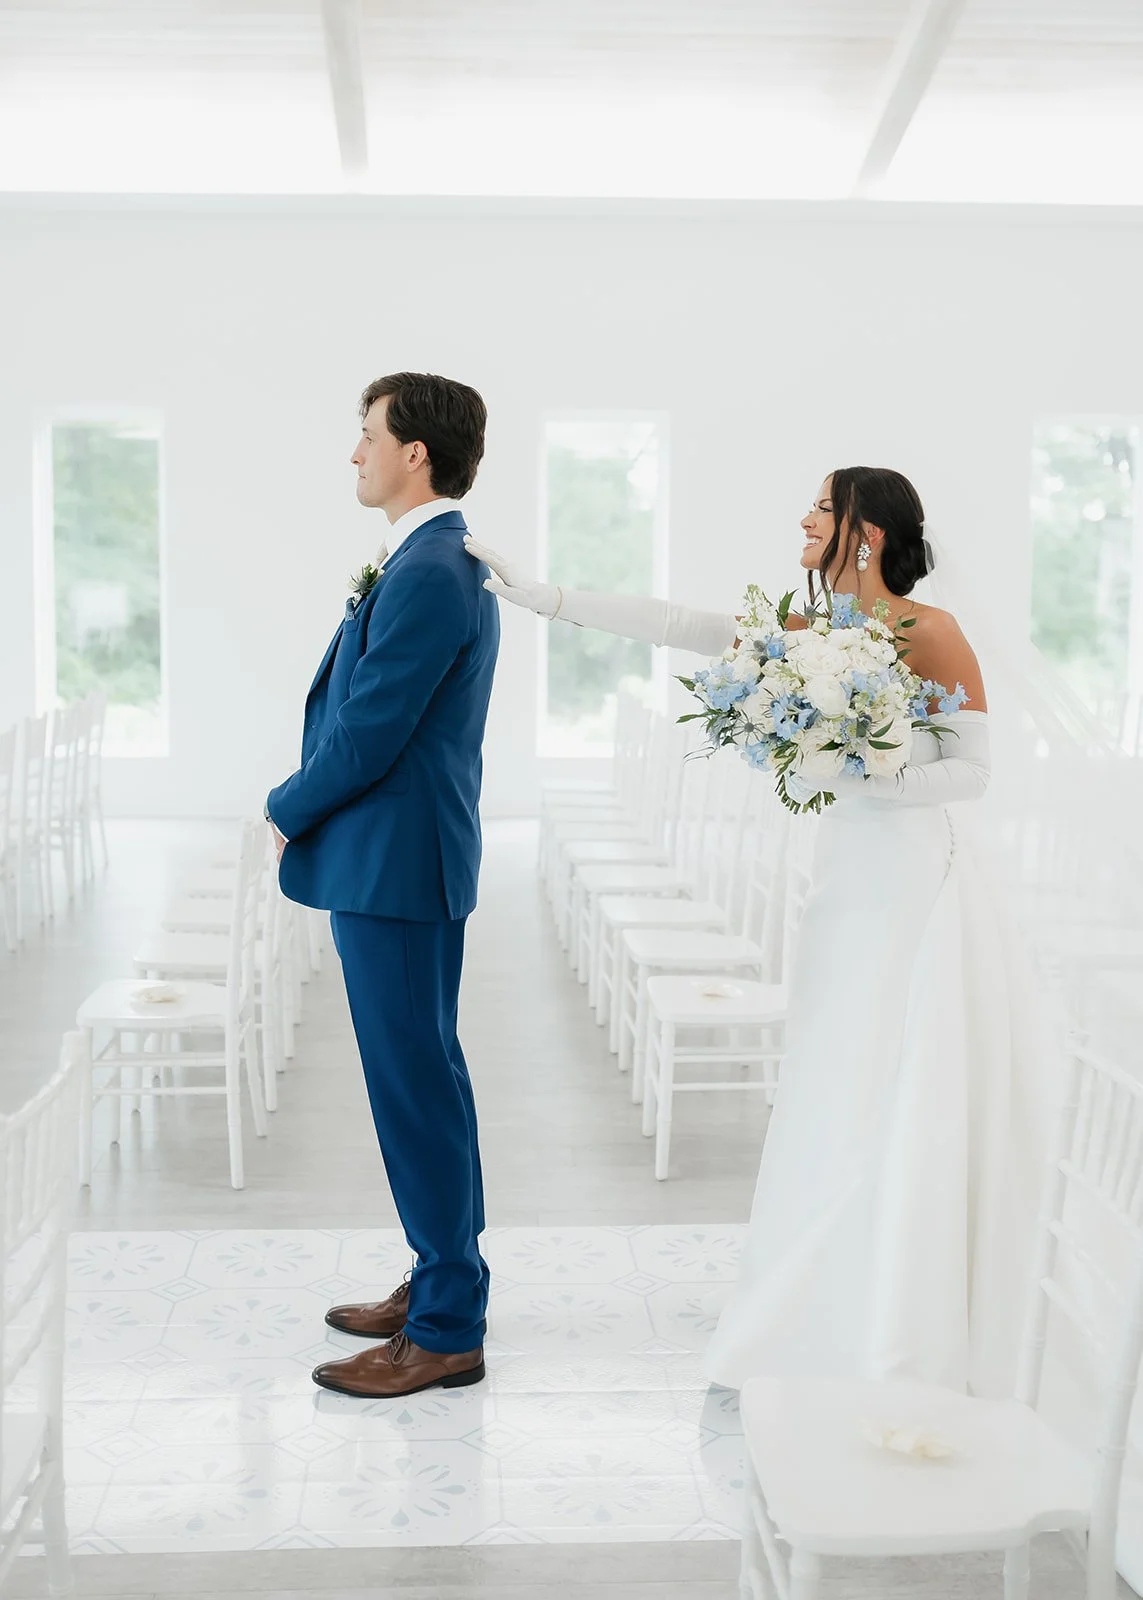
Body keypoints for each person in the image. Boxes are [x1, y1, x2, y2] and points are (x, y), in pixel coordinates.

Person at [466, 466, 1047, 1398]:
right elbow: (678, 624)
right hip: (846, 872)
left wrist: (869, 777)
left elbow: (973, 773)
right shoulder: (817, 631)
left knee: (892, 1069)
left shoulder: (929, 631)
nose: (805, 516)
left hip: (909, 878)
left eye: (823, 505)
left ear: (865, 533)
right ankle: (822, 1284)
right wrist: (549, 598)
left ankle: (897, 1303)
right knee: (830, 1069)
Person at [267, 372, 499, 1400]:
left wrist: (285, 806)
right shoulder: (428, 561)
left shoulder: (432, 571)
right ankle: (437, 1279)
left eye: (367, 435)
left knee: (416, 1091)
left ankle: (448, 1322)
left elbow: (370, 727)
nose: (355, 453)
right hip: (399, 859)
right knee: (421, 1082)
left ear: (415, 453)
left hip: (398, 865)